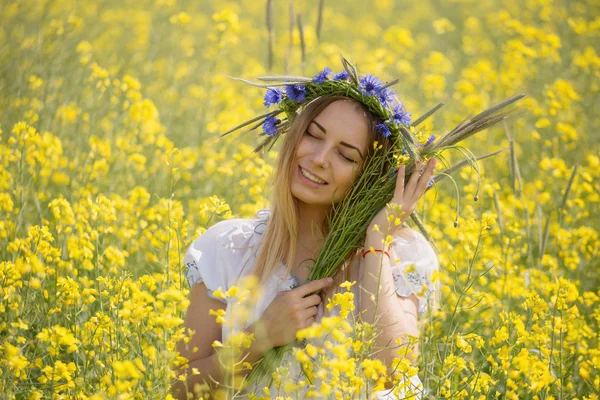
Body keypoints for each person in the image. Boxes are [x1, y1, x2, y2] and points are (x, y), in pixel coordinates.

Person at [172, 94, 439, 399]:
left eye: (347, 156)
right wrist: (260, 338)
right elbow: (181, 390)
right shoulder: (228, 249)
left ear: (370, 178)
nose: (319, 158)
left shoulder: (399, 257)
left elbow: (393, 372)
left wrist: (376, 243)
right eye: (313, 135)